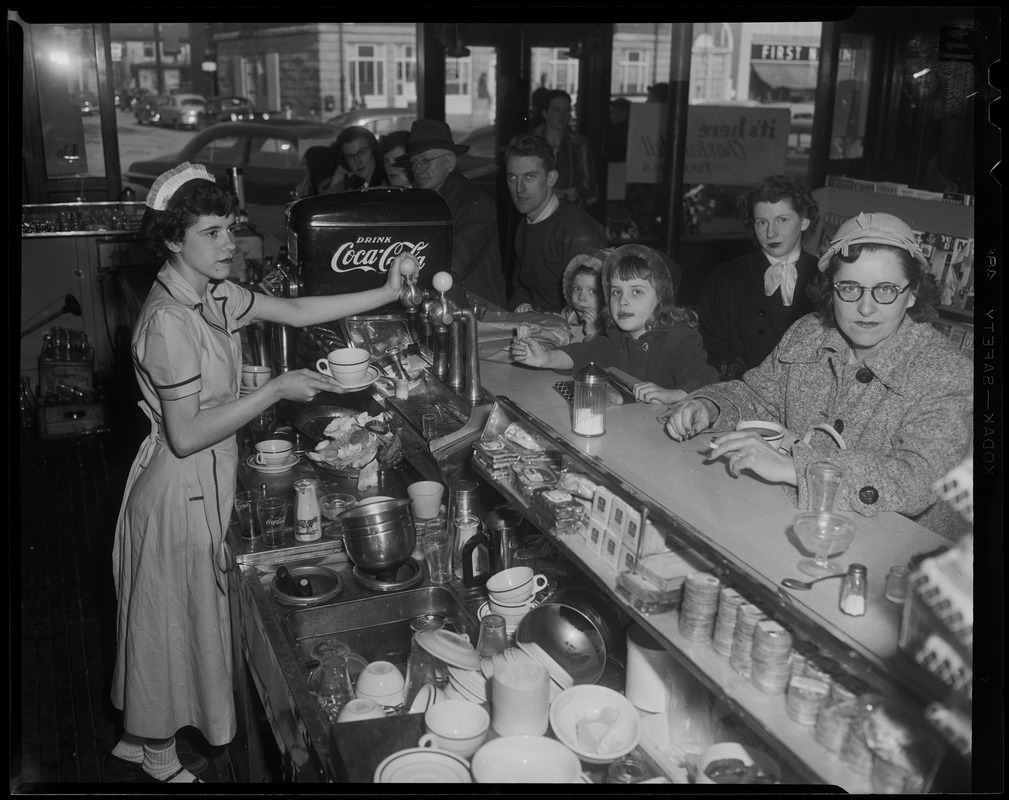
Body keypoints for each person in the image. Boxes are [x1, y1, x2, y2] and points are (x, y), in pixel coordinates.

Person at [108, 162, 405, 783]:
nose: (230, 244)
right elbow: (187, 434)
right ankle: (158, 752)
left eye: (230, 229)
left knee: (179, 617)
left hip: (205, 480)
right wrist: (277, 389)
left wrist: (386, 291)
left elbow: (295, 311)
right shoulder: (169, 320)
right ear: (172, 240)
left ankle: (140, 737)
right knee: (172, 622)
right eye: (212, 233)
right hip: (179, 487)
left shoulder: (211, 295)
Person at [663, 212, 973, 540]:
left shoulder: (947, 373)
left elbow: (916, 480)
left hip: (898, 551)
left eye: (885, 290)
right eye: (850, 288)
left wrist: (799, 467)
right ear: (831, 289)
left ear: (912, 294)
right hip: (797, 523)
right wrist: (712, 405)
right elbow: (757, 396)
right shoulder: (809, 332)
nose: (866, 308)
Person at [511, 244, 718, 405]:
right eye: (616, 292)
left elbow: (706, 380)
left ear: (662, 298)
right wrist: (546, 358)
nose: (623, 301)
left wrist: (673, 395)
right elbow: (583, 353)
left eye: (636, 291)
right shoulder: (616, 335)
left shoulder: (679, 338)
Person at [697, 174, 821, 381]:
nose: (771, 233)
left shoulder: (824, 278)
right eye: (762, 222)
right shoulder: (725, 277)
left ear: (804, 221)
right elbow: (708, 346)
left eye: (782, 220)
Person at [397, 119, 507, 307]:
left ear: (450, 162)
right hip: (446, 307)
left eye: (425, 161)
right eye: (413, 163)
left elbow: (454, 265)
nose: (417, 170)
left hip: (481, 314)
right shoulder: (426, 201)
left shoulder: (476, 203)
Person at [505, 135, 607, 313]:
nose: (519, 189)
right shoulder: (525, 223)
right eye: (512, 178)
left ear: (551, 179)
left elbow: (593, 307)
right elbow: (522, 288)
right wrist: (522, 308)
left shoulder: (576, 230)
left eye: (529, 177)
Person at [526, 89, 599, 208]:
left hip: (570, 216)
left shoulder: (580, 144)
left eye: (566, 110)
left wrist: (577, 191)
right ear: (545, 113)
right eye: (556, 110)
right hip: (536, 214)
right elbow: (519, 182)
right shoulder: (529, 143)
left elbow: (590, 186)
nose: (562, 115)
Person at [554, 250, 606, 343]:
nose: (581, 297)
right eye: (577, 289)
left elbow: (595, 355)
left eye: (593, 291)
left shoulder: (610, 329)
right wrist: (530, 314)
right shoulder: (568, 315)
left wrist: (591, 334)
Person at [323, 126, 388, 193]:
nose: (357, 161)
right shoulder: (353, 184)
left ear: (373, 150)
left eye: (361, 152)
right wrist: (338, 175)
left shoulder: (387, 184)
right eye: (350, 156)